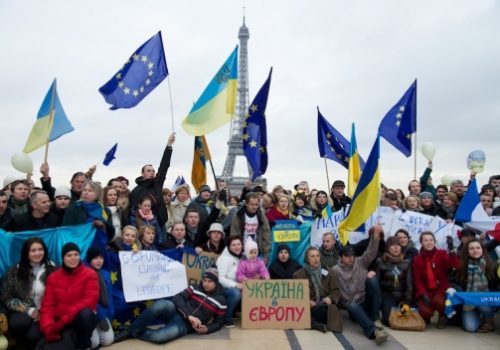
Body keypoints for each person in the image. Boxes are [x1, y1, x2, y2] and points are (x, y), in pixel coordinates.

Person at [114, 268, 226, 344]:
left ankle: (131, 331)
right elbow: (178, 297)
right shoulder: (194, 287)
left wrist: (207, 329)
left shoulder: (221, 301)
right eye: (204, 280)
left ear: (216, 282)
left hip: (186, 326)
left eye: (209, 281)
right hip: (176, 312)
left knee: (159, 338)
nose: (205, 284)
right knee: (161, 303)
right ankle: (133, 329)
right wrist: (189, 315)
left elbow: (219, 322)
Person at [332, 225, 388, 345]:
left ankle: (374, 317)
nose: (350, 258)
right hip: (352, 305)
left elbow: (371, 252)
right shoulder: (335, 270)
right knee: (352, 306)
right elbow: (335, 290)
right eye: (347, 256)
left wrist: (376, 238)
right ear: (341, 257)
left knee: (372, 280)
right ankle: (373, 331)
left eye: (352, 255)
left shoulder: (360, 262)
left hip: (364, 300)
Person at [39, 242, 98, 349]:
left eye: (76, 254)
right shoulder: (53, 277)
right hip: (61, 322)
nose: (73, 258)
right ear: (63, 258)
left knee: (87, 314)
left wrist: (65, 319)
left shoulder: (90, 274)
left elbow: (90, 300)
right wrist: (48, 327)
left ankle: (83, 342)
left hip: (79, 320)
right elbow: (48, 305)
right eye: (69, 255)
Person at [0, 238, 56, 349]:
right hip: (22, 312)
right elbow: (6, 297)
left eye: (40, 249)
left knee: (32, 337)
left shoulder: (52, 268)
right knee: (17, 324)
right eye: (33, 250)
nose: (37, 253)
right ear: (27, 252)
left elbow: (59, 294)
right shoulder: (15, 270)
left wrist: (44, 312)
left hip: (46, 311)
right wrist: (28, 310)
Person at [412, 231, 460, 328]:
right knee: (425, 311)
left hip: (440, 288)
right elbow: (418, 279)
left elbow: (454, 265)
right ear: (421, 242)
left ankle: (443, 316)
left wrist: (451, 250)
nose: (429, 242)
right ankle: (426, 316)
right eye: (425, 240)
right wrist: (422, 293)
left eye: (431, 240)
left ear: (434, 241)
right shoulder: (417, 259)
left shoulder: (441, 253)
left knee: (439, 302)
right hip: (426, 289)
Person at [129, 133, 175, 230]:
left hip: (161, 224)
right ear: (142, 173)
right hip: (145, 227)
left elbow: (164, 166)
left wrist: (169, 145)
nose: (152, 172)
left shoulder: (157, 183)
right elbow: (134, 213)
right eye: (148, 171)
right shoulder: (135, 192)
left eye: (153, 171)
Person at [451, 239, 499, 333]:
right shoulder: (461, 267)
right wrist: (454, 289)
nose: (475, 250)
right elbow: (454, 282)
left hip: (486, 301)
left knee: (483, 305)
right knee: (470, 328)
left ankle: (489, 321)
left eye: (478, 248)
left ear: (482, 250)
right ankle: (476, 315)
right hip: (468, 303)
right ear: (467, 252)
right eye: (471, 248)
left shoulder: (492, 265)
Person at [293, 247, 342, 333]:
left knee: (328, 309)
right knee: (306, 312)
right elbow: (295, 295)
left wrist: (330, 298)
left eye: (318, 256)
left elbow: (336, 291)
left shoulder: (328, 272)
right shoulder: (298, 275)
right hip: (310, 308)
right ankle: (314, 323)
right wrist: (307, 301)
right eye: (312, 256)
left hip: (323, 305)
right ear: (307, 259)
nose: (316, 259)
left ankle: (313, 323)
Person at [375, 236, 413, 326]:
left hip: (402, 294)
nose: (396, 248)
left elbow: (409, 284)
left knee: (406, 317)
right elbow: (377, 283)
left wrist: (407, 302)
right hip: (388, 294)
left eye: (398, 245)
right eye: (393, 245)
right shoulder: (380, 261)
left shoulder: (406, 262)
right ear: (388, 248)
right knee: (390, 320)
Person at [86, 247, 114, 347]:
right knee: (94, 343)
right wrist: (101, 316)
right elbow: (90, 299)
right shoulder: (85, 274)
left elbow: (109, 297)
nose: (99, 261)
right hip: (90, 313)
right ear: (89, 260)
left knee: (108, 340)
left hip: (104, 312)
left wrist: (109, 315)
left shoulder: (106, 274)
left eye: (101, 258)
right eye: (95, 258)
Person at [230, 192, 272, 261]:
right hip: (242, 252)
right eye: (252, 204)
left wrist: (266, 253)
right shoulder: (239, 216)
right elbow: (234, 235)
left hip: (257, 251)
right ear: (246, 204)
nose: (254, 207)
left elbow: (266, 233)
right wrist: (236, 252)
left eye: (256, 204)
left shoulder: (261, 215)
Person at [216, 236, 243, 327]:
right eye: (233, 245)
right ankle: (227, 318)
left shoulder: (241, 257)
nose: (237, 247)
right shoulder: (223, 259)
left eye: (238, 244)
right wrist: (235, 285)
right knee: (235, 293)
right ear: (229, 247)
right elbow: (220, 278)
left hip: (236, 284)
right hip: (222, 287)